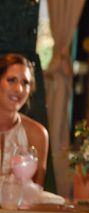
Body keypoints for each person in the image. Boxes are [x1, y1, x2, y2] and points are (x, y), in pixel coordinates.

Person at [0, 53, 49, 187]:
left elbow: (37, 193)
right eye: (12, 80)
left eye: (25, 83)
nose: (19, 89)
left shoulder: (37, 134)